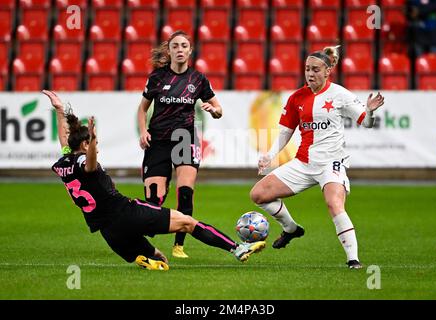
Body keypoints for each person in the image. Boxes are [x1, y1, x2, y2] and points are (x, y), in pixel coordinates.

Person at [43, 90, 265, 271]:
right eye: (95, 144)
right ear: (85, 145)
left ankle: (147, 259)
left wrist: (60, 110)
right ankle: (238, 248)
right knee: (187, 222)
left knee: (160, 259)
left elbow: (66, 139)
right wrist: (91, 141)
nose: (97, 148)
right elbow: (89, 164)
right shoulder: (85, 158)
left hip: (109, 232)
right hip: (127, 213)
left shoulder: (65, 162)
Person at [249, 46, 385, 269]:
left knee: (334, 203)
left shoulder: (339, 94)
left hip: (332, 163)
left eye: (315, 70)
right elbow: (285, 131)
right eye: (307, 69)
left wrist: (369, 111)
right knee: (258, 194)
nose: (310, 74)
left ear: (328, 71)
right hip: (303, 163)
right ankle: (291, 229)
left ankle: (353, 259)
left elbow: (367, 122)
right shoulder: (297, 98)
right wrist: (270, 156)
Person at [136, 30, 223, 259]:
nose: (180, 50)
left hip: (185, 138)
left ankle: (178, 245)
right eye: (175, 46)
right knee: (153, 199)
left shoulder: (198, 79)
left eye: (184, 46)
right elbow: (142, 109)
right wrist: (143, 130)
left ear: (190, 50)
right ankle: (144, 240)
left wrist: (214, 111)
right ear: (170, 50)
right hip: (158, 140)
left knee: (185, 192)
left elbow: (219, 109)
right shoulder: (157, 78)